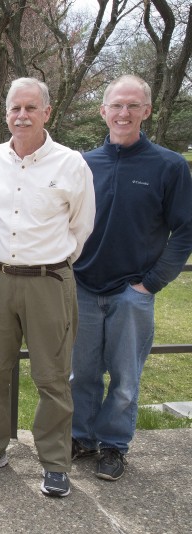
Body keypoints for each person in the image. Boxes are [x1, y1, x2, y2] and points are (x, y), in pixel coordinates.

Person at [0, 78, 95, 498]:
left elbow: (81, 226)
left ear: (46, 112)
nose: (21, 116)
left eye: (30, 108)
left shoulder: (70, 163)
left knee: (53, 377)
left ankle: (55, 462)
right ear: (5, 114)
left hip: (48, 282)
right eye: (14, 108)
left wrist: (52, 262)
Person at [71, 75, 192, 481]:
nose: (124, 113)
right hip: (83, 287)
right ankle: (82, 437)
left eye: (133, 105)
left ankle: (113, 445)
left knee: (125, 379)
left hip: (132, 292)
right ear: (103, 110)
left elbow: (186, 229)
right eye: (116, 105)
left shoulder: (169, 166)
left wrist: (150, 283)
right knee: (82, 373)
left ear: (147, 111)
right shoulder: (83, 164)